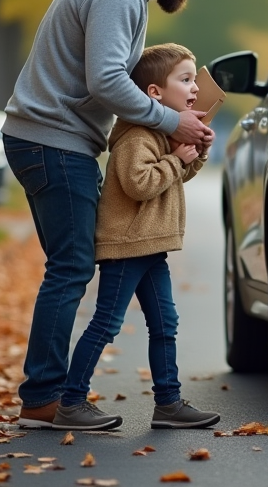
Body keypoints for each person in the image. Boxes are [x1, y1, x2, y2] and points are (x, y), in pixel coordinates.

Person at [2, 0, 228, 429]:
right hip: (50, 138)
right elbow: (106, 81)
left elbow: (114, 82)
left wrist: (173, 129)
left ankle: (52, 395)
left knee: (70, 266)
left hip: (52, 138)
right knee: (72, 267)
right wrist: (172, 121)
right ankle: (45, 399)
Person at [52, 44, 219, 430]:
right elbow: (139, 183)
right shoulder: (136, 137)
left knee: (165, 324)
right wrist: (177, 159)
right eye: (186, 79)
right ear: (154, 93)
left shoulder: (163, 133)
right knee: (107, 323)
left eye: (195, 79)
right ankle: (71, 402)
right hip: (127, 247)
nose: (195, 88)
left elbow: (176, 177)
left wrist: (196, 153)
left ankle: (169, 403)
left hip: (151, 247)